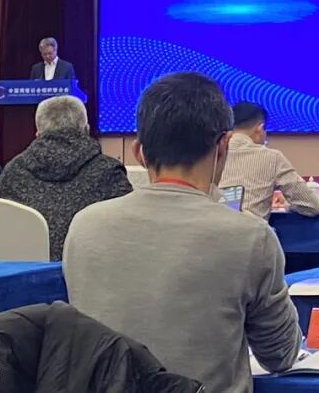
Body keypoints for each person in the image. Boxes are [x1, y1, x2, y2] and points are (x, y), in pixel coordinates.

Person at [63, 73, 302, 393]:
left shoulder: (84, 225)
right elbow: (281, 355)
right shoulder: (249, 237)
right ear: (224, 146)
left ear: (138, 152)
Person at [0, 96, 133, 260]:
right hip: (90, 270)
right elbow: (130, 231)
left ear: (38, 134)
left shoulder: (14, 171)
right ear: (86, 130)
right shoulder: (109, 171)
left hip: (26, 272)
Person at [220, 102, 319, 219]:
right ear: (260, 128)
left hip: (209, 228)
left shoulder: (211, 154)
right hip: (251, 229)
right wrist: (287, 204)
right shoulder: (272, 157)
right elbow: (312, 206)